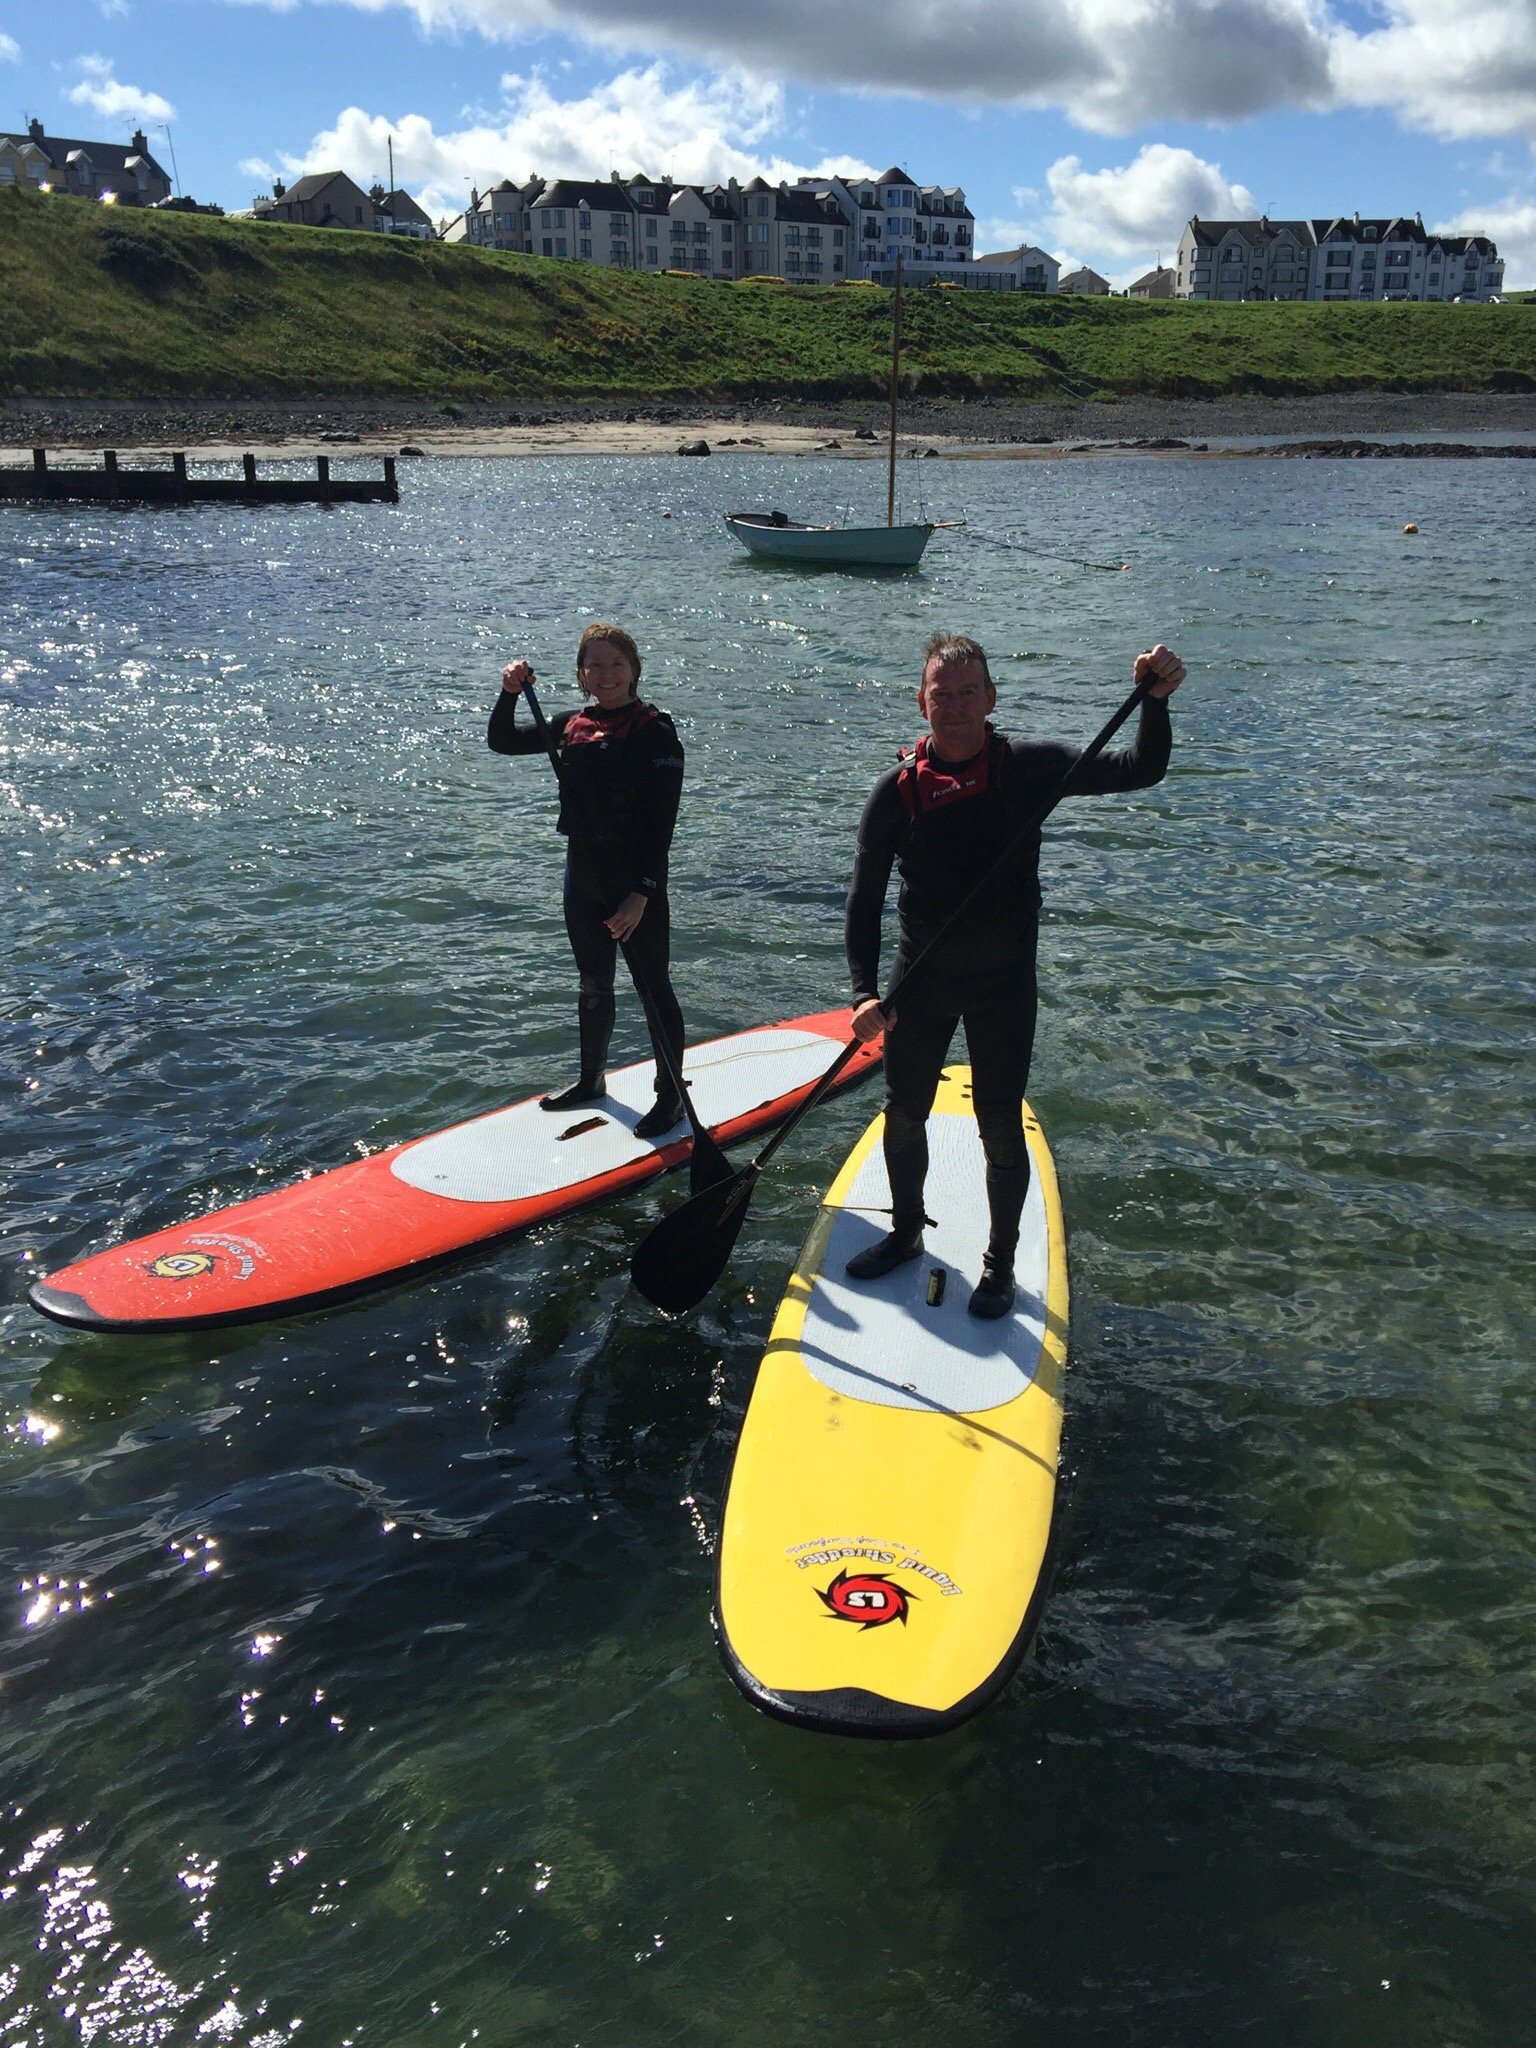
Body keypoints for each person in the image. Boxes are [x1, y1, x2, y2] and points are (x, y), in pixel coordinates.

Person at [843, 631, 1185, 1319]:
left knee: (999, 1126)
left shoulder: (1028, 767)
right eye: (943, 694)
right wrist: (863, 992)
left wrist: (1154, 700)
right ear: (922, 703)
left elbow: (1139, 768)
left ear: (991, 699)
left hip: (1003, 985)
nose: (957, 706)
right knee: (904, 1114)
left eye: (970, 693)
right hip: (921, 983)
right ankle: (906, 1236)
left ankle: (998, 1267)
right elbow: (863, 898)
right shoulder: (897, 792)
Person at [489, 623, 689, 1141]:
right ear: (581, 673)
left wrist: (641, 894)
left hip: (633, 885)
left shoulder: (655, 731)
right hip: (582, 877)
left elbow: (660, 824)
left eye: (616, 664)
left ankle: (671, 1099)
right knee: (593, 984)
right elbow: (503, 741)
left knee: (653, 988)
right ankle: (590, 1081)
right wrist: (509, 693)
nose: (606, 675)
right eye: (594, 665)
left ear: (634, 669)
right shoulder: (570, 724)